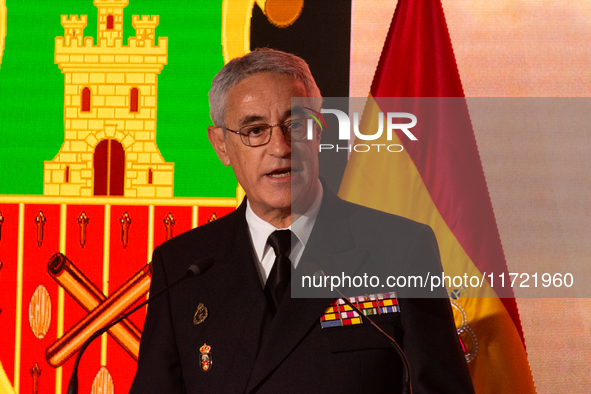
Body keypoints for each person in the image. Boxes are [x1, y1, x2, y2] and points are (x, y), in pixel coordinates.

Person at [130, 48, 475, 393]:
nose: (280, 147)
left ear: (320, 131)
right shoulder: (182, 267)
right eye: (254, 130)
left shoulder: (399, 249)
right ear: (221, 145)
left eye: (295, 124)